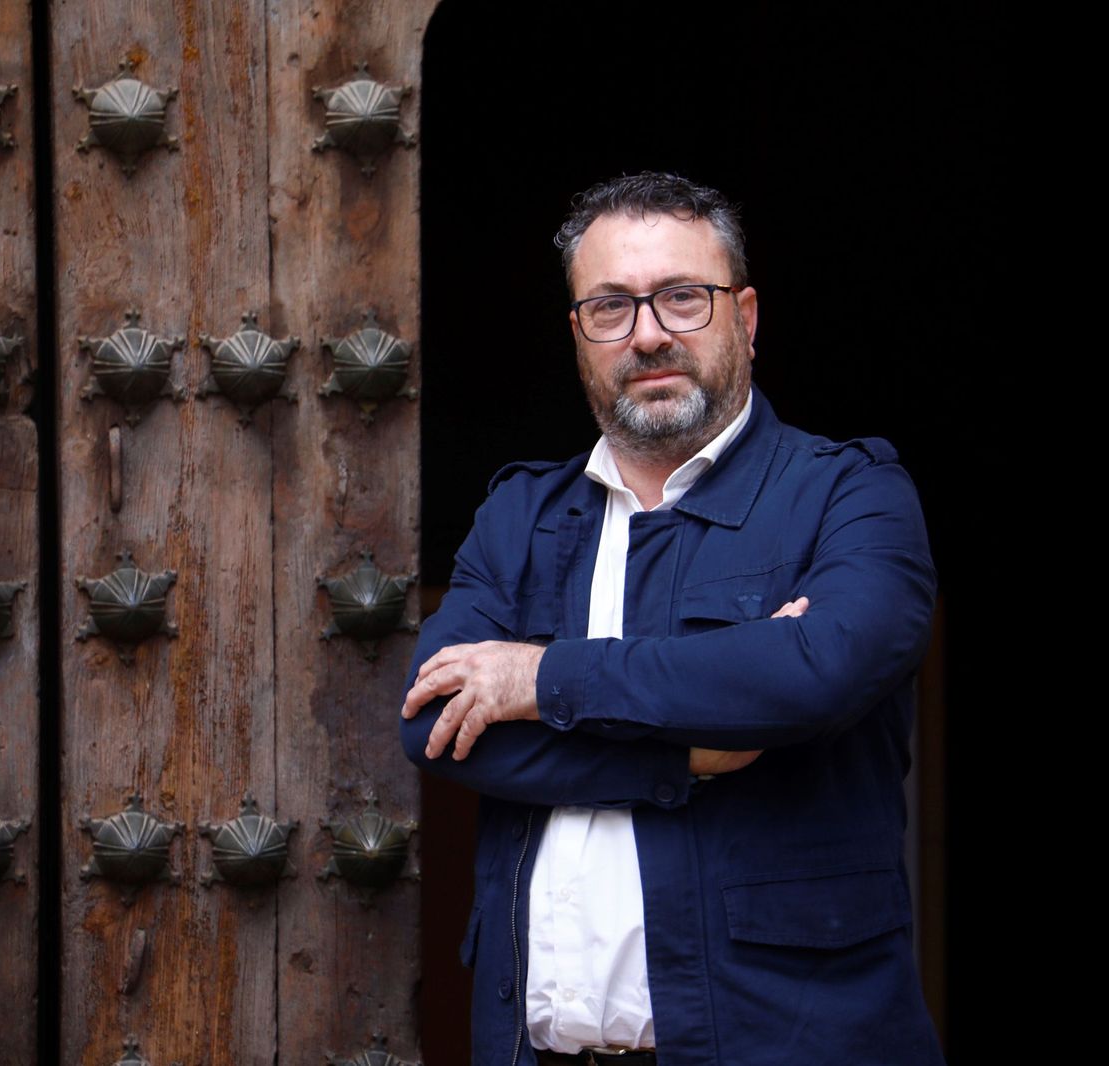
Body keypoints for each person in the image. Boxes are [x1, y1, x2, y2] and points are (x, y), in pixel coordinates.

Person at [400, 172, 943, 1065]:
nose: (648, 333)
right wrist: (685, 751)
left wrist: (536, 680)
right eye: (610, 307)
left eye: (683, 298)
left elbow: (813, 675)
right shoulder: (521, 518)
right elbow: (433, 724)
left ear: (748, 315)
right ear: (578, 335)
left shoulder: (850, 495)